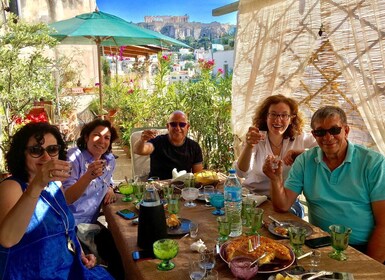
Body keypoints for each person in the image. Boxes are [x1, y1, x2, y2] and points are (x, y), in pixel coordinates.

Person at [263, 106, 385, 263]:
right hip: (319, 244)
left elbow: (384, 224)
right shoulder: (305, 160)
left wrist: (370, 266)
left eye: (334, 130)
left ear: (346, 131)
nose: (328, 137)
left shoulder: (373, 163)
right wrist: (275, 179)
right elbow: (282, 206)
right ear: (314, 135)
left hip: (363, 247)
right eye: (320, 132)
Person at [0, 122, 113, 279]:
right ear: (21, 153)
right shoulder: (11, 187)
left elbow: (66, 228)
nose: (46, 157)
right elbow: (7, 239)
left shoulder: (55, 184)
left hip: (67, 267)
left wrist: (80, 253)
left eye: (52, 149)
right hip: (31, 273)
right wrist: (37, 184)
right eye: (36, 150)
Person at [234, 94, 317, 217]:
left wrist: (300, 153)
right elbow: (241, 173)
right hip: (254, 198)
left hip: (286, 200)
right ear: (266, 117)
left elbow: (326, 149)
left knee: (289, 224)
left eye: (284, 115)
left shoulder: (300, 138)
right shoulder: (256, 136)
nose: (278, 120)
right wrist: (249, 145)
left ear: (291, 119)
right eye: (273, 114)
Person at [63, 118, 123, 279]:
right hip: (70, 225)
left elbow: (107, 181)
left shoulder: (109, 160)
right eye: (97, 135)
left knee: (121, 252)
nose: (102, 141)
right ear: (86, 137)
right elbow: (66, 198)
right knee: (92, 266)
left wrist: (110, 187)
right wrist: (88, 176)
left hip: (91, 224)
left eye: (106, 137)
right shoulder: (74, 157)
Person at [133, 110, 203, 180]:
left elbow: (198, 176)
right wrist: (142, 140)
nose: (177, 128)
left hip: (182, 187)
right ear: (168, 126)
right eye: (173, 124)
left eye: (182, 124)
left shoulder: (194, 147)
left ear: (187, 127)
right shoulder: (158, 142)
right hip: (157, 187)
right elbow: (138, 150)